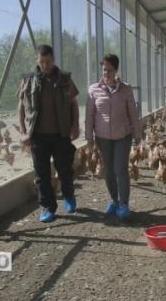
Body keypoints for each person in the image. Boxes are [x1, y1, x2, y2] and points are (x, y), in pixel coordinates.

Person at [18, 44, 80, 223]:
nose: (45, 65)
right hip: (38, 136)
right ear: (37, 60)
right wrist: (23, 132)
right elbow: (21, 107)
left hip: (61, 134)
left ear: (54, 59)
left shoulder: (65, 79)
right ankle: (47, 207)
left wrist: (75, 126)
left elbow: (74, 104)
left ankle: (68, 196)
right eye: (42, 61)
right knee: (42, 174)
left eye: (48, 61)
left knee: (65, 169)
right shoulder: (28, 80)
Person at [85, 54, 142, 220]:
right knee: (108, 170)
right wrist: (89, 137)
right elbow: (90, 115)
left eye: (110, 70)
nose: (106, 73)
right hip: (102, 137)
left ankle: (124, 204)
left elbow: (133, 113)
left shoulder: (125, 89)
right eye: (104, 70)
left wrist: (137, 135)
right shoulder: (93, 89)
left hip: (123, 135)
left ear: (116, 71)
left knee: (120, 169)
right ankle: (113, 201)